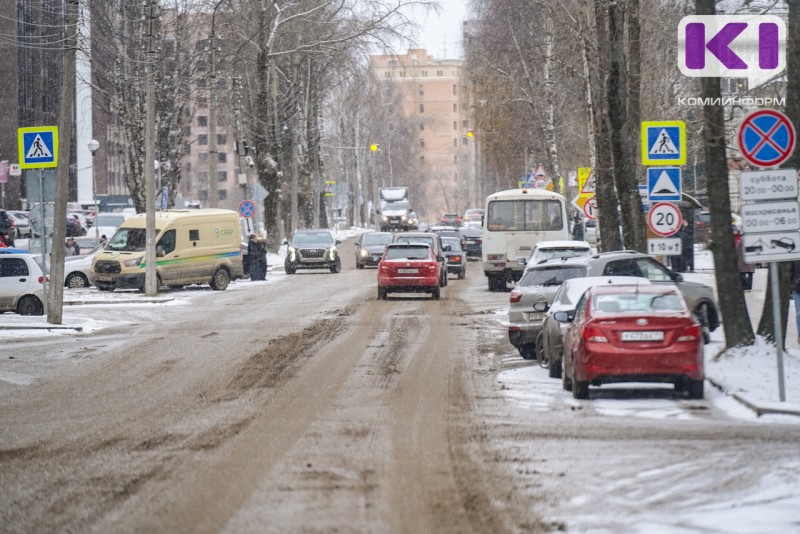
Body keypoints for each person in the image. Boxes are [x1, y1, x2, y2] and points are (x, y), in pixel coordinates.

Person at [791, 262, 800, 345]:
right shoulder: (795, 256)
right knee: (799, 314)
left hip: (796, 287)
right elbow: (791, 272)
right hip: (797, 289)